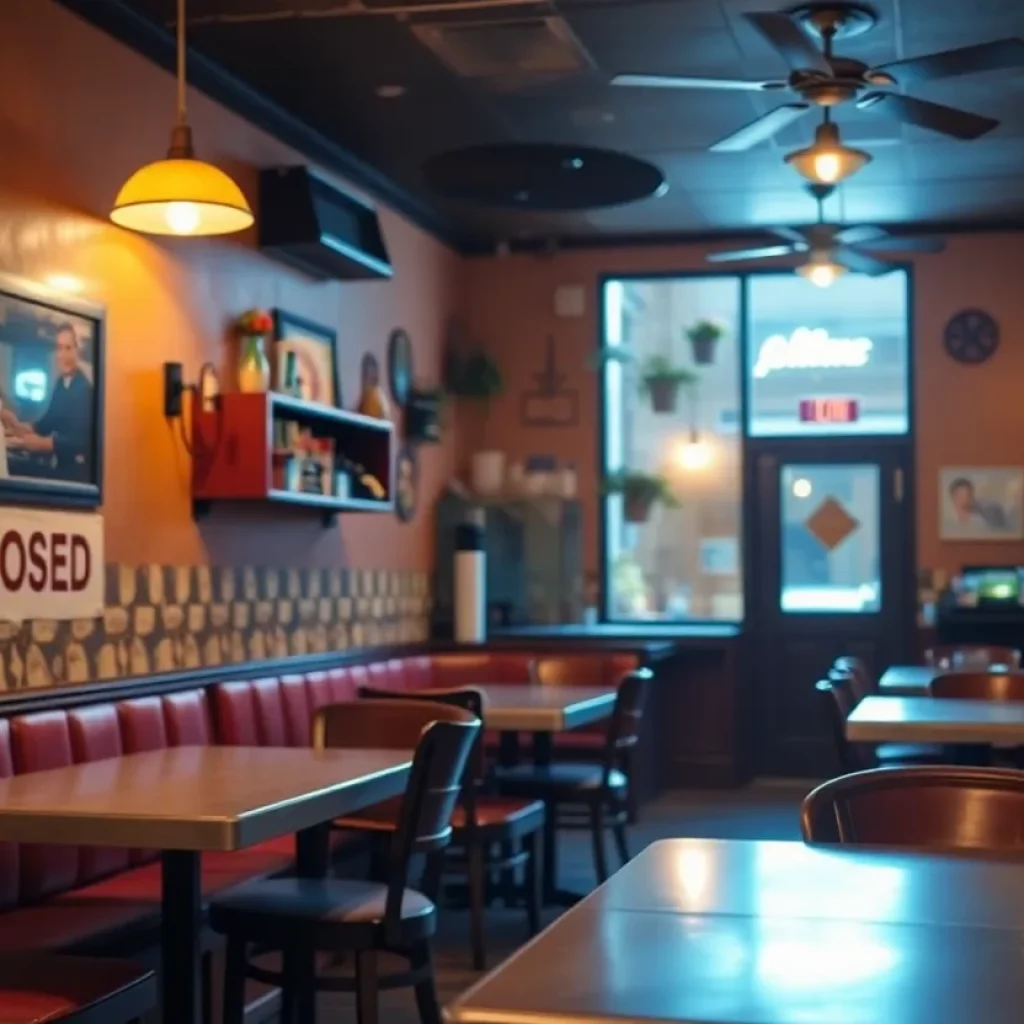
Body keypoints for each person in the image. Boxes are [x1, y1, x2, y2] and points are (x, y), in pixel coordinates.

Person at [7, 323, 93, 482]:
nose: (63, 355)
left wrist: (41, 443)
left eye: (69, 348)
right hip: (60, 468)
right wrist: (17, 426)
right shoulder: (61, 384)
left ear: (78, 352)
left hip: (76, 475)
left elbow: (77, 441)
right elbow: (45, 425)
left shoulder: (85, 390)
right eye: (60, 348)